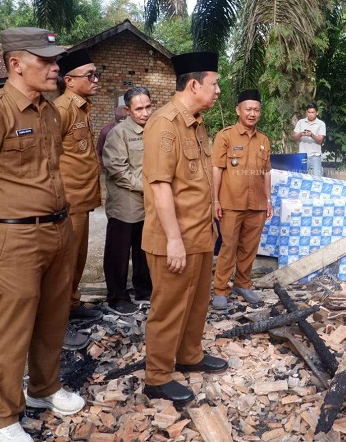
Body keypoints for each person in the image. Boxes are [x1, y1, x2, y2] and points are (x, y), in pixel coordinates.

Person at [0, 28, 85, 442]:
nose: (55, 67)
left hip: (57, 229)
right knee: (12, 329)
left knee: (52, 317)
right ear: (15, 63)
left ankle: (44, 388)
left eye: (55, 59)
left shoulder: (48, 110)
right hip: (16, 237)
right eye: (44, 60)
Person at [140, 51, 228, 404]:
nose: (218, 90)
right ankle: (157, 376)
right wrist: (174, 240)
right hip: (173, 239)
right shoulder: (164, 123)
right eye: (214, 83)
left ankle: (189, 355)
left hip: (199, 234)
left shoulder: (196, 121)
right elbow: (160, 185)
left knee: (196, 303)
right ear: (194, 85)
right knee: (169, 308)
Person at [54, 49, 104, 351]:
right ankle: (58, 323)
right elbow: (48, 157)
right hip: (67, 201)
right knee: (64, 263)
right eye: (90, 75)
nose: (96, 79)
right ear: (69, 81)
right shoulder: (62, 109)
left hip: (83, 200)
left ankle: (73, 305)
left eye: (96, 74)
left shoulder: (82, 108)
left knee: (78, 259)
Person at [211, 89, 273, 310]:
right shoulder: (225, 136)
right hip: (230, 203)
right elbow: (217, 169)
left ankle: (242, 284)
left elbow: (266, 172)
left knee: (249, 247)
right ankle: (220, 289)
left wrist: (268, 200)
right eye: (248, 109)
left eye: (256, 109)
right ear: (238, 110)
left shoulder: (264, 139)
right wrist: (215, 200)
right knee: (228, 246)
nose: (252, 113)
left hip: (256, 204)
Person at [102, 87, 153, 315]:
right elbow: (117, 170)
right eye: (139, 108)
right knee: (119, 252)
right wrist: (148, 188)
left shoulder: (154, 130)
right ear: (128, 110)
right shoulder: (119, 133)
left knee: (144, 251)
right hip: (125, 204)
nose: (145, 112)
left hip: (148, 204)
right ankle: (117, 297)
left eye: (148, 107)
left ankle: (144, 291)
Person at [292, 102, 326, 177]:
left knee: (317, 179)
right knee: (300, 178)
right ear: (306, 112)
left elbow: (320, 140)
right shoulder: (300, 122)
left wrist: (312, 135)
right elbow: (294, 137)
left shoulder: (321, 124)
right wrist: (301, 134)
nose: (310, 114)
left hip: (315, 156)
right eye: (309, 112)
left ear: (317, 113)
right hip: (303, 155)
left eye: (313, 112)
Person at [96, 105, 127, 170]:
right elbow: (99, 152)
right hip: (112, 168)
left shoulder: (105, 130)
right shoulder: (106, 131)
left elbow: (99, 151)